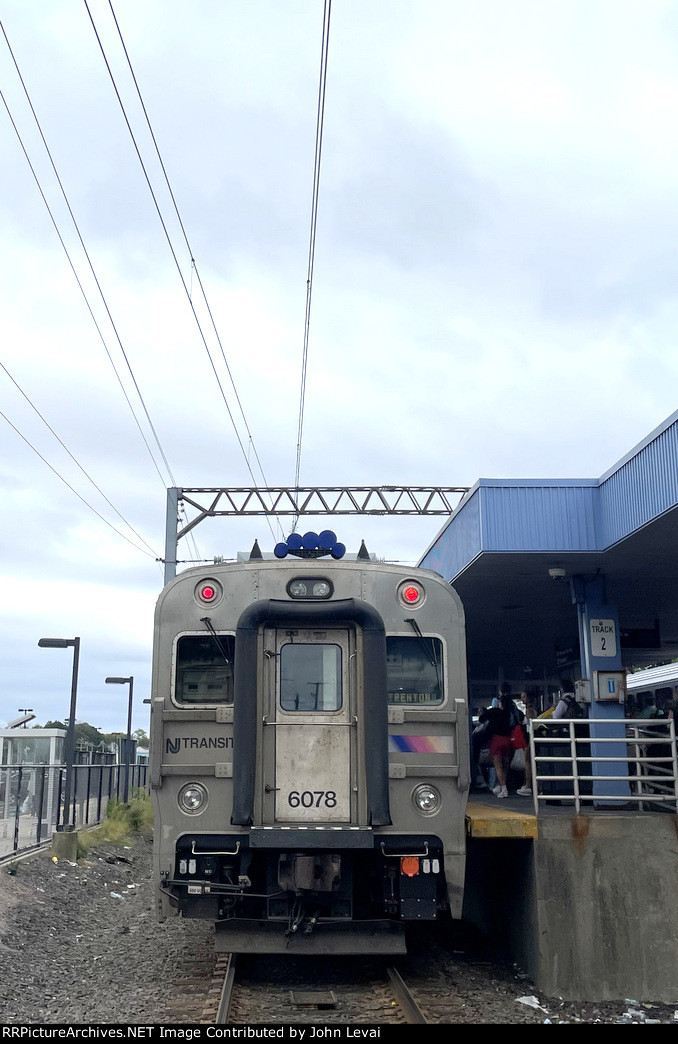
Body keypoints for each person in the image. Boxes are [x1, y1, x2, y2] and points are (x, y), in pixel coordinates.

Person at [479, 684, 528, 798]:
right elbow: (521, 720)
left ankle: (503, 789)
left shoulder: (495, 712)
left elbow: (482, 719)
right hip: (509, 741)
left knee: (497, 766)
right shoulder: (511, 713)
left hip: (497, 741)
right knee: (505, 765)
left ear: (500, 702)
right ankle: (503, 786)